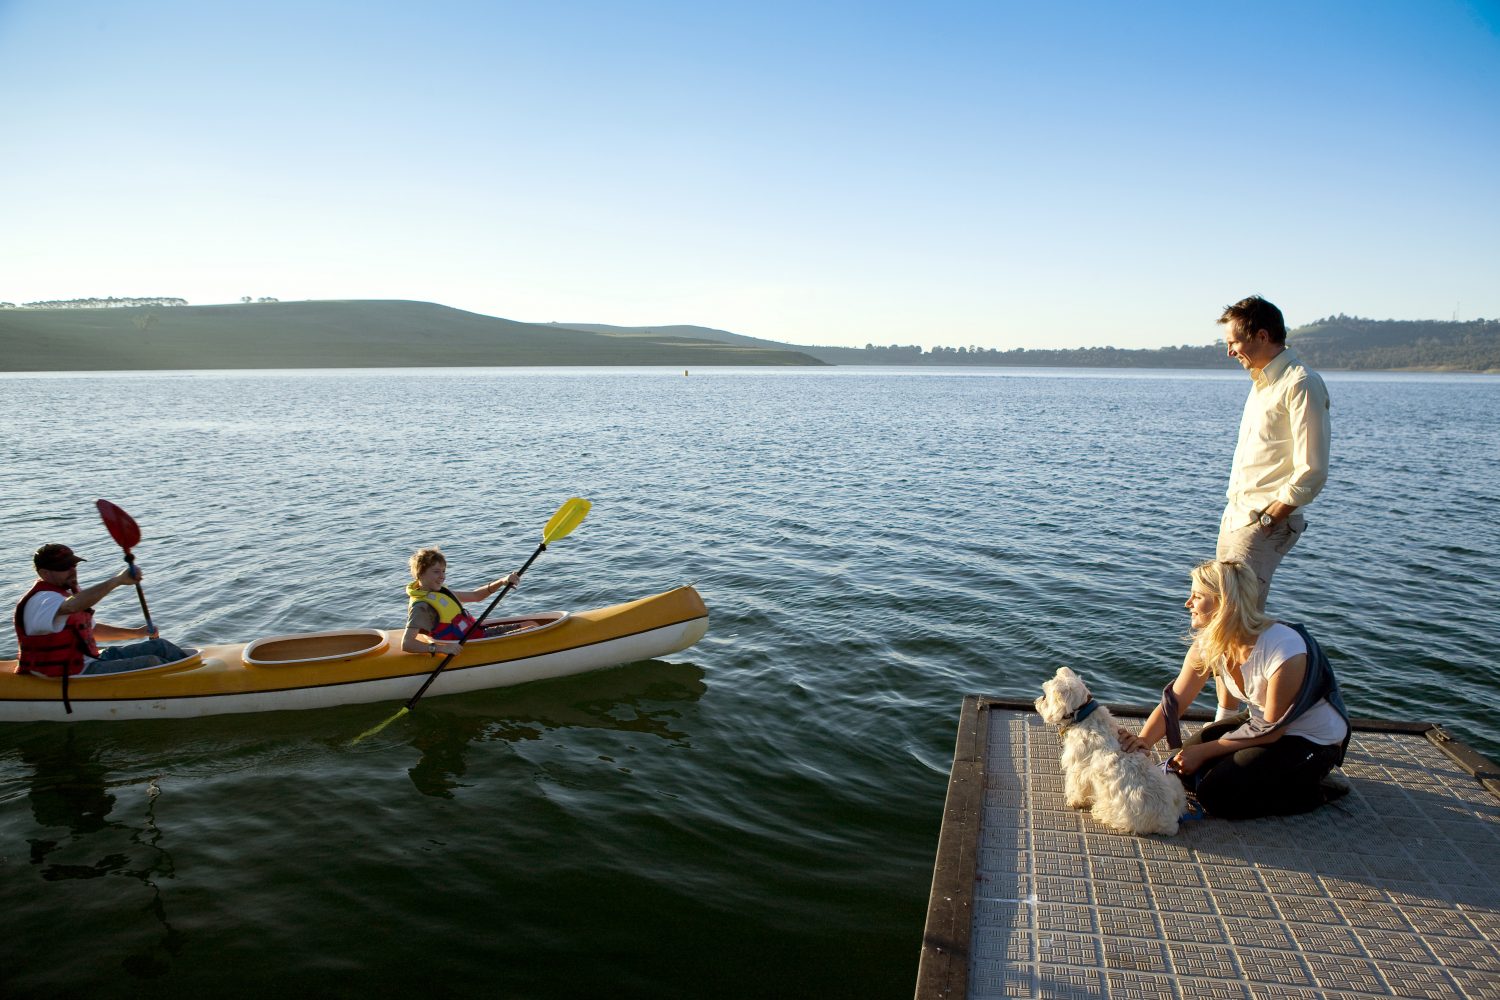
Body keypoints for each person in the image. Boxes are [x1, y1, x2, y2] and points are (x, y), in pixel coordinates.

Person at [1119, 559, 1350, 820]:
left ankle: (1313, 790)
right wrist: (1144, 741)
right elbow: (1175, 701)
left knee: (1217, 797)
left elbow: (1273, 729)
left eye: (1197, 596)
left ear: (1224, 602)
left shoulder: (1284, 650)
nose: (1188, 603)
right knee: (1180, 768)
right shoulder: (1208, 644)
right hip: (1261, 723)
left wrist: (1204, 752)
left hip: (1310, 739)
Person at [1216, 295, 1331, 609]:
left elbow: (1313, 468)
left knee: (1238, 618)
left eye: (1234, 342)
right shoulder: (1262, 383)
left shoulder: (1301, 383)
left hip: (1260, 521)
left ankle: (1281, 657)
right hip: (1238, 516)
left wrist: (1266, 521)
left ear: (1262, 336)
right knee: (1223, 613)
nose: (1229, 351)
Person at [13, 543, 188, 677]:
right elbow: (71, 606)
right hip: (69, 673)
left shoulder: (66, 593)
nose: (72, 571)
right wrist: (117, 581)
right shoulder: (42, 600)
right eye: (64, 567)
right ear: (44, 574)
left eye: (73, 565)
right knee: (151, 662)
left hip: (90, 659)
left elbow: (92, 631)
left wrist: (136, 632)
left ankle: (194, 675)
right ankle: (190, 689)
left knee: (160, 646)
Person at [401, 547, 521, 655]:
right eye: (436, 571)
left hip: (476, 635)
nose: (442, 576)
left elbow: (476, 596)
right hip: (471, 645)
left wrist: (502, 581)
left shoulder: (439, 593)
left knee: (529, 624)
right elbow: (407, 644)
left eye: (443, 571)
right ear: (420, 574)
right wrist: (441, 648)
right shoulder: (422, 606)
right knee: (531, 626)